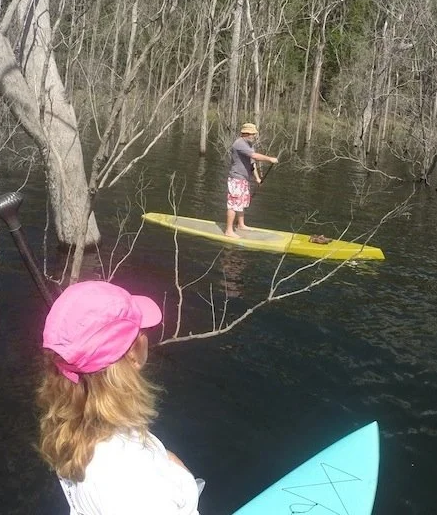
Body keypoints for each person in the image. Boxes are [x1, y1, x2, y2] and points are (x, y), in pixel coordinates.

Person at [37, 280, 202, 515]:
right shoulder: (130, 482)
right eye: (141, 331)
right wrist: (183, 477)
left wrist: (165, 460)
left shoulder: (73, 427)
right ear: (136, 351)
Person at [225, 122, 278, 238]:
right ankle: (229, 231)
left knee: (242, 202)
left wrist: (257, 178)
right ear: (246, 133)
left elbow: (252, 163)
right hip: (236, 178)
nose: (254, 136)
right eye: (253, 134)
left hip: (244, 179)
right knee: (234, 204)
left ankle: (241, 225)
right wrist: (270, 159)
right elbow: (255, 156)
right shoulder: (239, 144)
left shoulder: (249, 145)